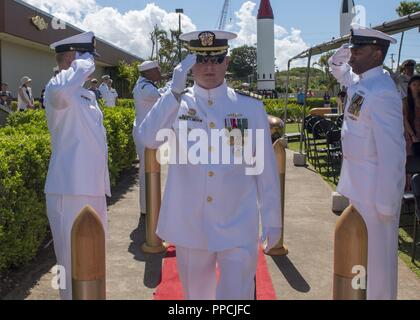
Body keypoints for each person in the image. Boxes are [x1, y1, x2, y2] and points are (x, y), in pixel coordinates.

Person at [137, 30, 282, 300]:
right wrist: (174, 90)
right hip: (191, 223)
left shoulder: (250, 108)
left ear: (227, 62)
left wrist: (273, 220)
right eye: (201, 60)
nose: (208, 67)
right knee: (197, 296)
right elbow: (148, 138)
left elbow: (264, 169)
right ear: (191, 65)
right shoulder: (175, 103)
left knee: (236, 297)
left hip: (238, 220)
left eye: (216, 60)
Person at [328, 24, 406, 300]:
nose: (352, 54)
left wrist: (386, 202)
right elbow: (340, 73)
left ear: (377, 53)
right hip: (359, 189)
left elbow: (393, 153)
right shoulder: (363, 82)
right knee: (361, 261)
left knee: (378, 264)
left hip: (375, 195)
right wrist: (337, 59)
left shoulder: (382, 90)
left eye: (357, 49)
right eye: (351, 48)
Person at [44, 31, 111, 300]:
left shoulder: (86, 96)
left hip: (93, 186)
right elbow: (61, 93)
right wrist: (80, 65)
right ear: (71, 58)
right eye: (86, 58)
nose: (91, 64)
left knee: (93, 258)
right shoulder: (56, 87)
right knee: (70, 261)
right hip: (69, 187)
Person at [132, 60, 168, 216]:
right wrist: (174, 81)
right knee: (147, 172)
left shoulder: (145, 85)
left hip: (145, 132)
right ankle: (147, 208)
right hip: (144, 134)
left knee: (150, 170)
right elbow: (163, 96)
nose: (160, 73)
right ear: (148, 72)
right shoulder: (145, 88)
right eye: (157, 70)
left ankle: (149, 206)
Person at [405, 75, 420, 155]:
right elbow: (405, 119)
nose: (417, 87)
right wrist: (413, 135)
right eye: (414, 84)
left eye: (419, 85)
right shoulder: (405, 101)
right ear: (409, 86)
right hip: (411, 137)